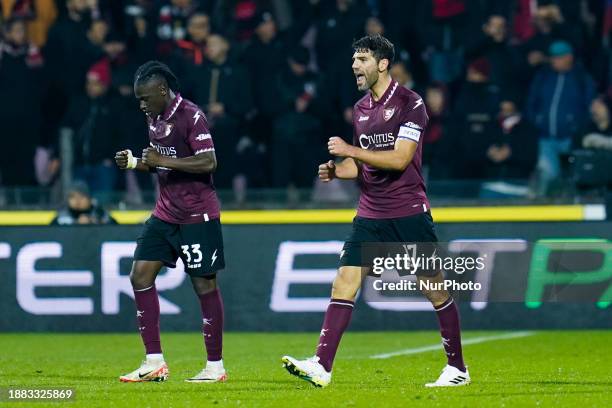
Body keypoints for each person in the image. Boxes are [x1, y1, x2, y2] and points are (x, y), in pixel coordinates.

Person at [281, 34, 469, 388]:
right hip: (370, 212)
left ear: (383, 64)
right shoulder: (361, 109)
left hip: (408, 210)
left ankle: (457, 367)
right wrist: (338, 168)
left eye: (363, 59)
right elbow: (363, 167)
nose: (355, 65)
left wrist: (350, 150)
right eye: (354, 59)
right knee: (345, 279)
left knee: (434, 288)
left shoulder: (411, 104)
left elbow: (399, 159)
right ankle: (322, 365)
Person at [114, 61, 226, 383]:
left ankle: (215, 366)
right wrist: (136, 162)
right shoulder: (154, 116)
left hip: (197, 213)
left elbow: (209, 161)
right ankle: (154, 362)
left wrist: (161, 159)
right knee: (140, 274)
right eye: (139, 99)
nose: (142, 105)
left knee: (204, 285)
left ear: (163, 91)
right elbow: (162, 165)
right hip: (166, 212)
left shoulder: (192, 116)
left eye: (146, 98)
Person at [525, 40, 595, 196]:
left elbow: (589, 107)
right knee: (548, 175)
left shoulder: (581, 79)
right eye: (552, 57)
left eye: (558, 57)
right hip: (546, 137)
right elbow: (532, 102)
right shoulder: (543, 76)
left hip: (570, 138)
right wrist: (537, 120)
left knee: (569, 178)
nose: (554, 61)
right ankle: (543, 214)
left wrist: (577, 128)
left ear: (568, 57)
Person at [51, 181, 116, 225]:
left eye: (81, 197)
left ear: (89, 199)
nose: (77, 200)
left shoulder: (100, 213)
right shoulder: (62, 216)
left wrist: (95, 223)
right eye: (73, 197)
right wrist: (76, 224)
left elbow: (116, 230)